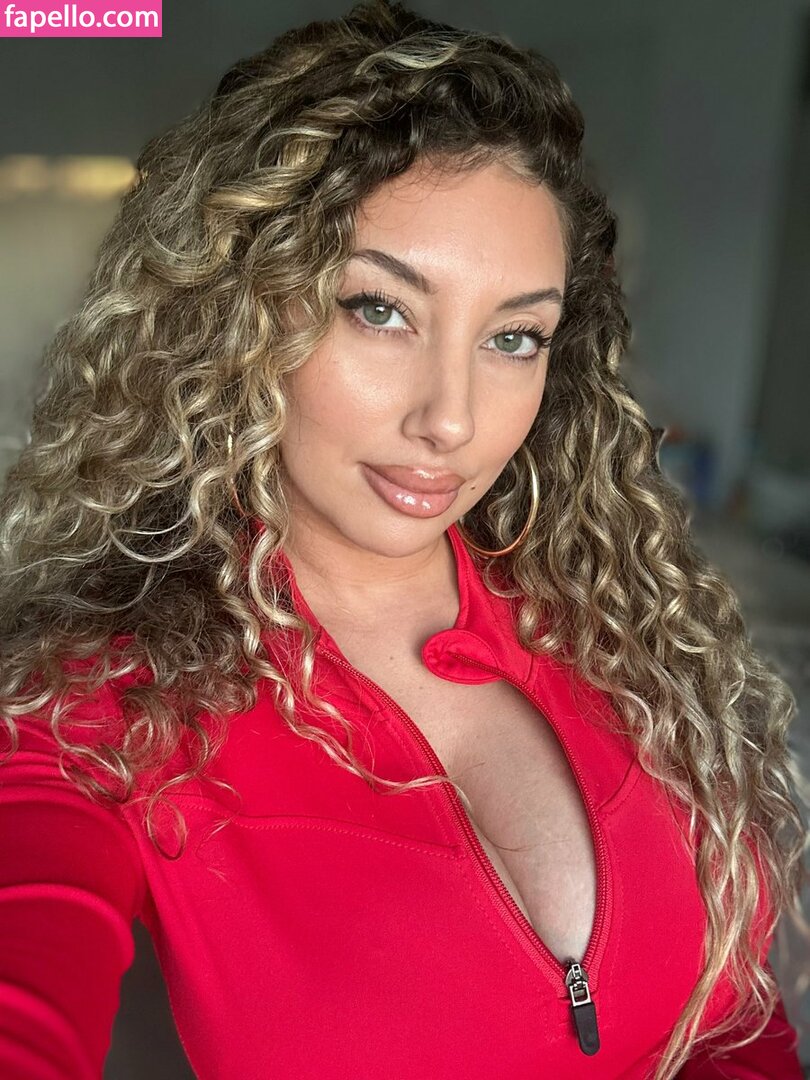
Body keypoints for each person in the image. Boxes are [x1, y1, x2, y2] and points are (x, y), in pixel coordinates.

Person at [0, 1, 807, 1077]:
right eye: (379, 310)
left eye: (513, 337)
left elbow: (732, 1023)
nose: (452, 421)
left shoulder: (620, 625)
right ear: (233, 315)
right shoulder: (106, 708)